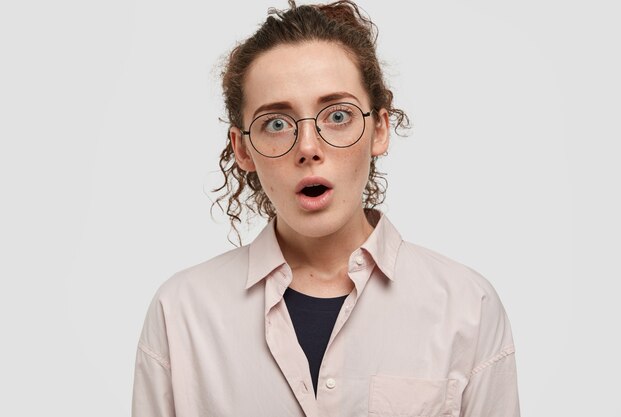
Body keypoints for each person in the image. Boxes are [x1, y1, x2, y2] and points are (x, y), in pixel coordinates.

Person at [131, 1, 521, 416]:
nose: (308, 149)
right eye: (276, 123)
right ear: (243, 148)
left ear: (380, 129)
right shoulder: (181, 313)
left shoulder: (466, 307)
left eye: (337, 115)